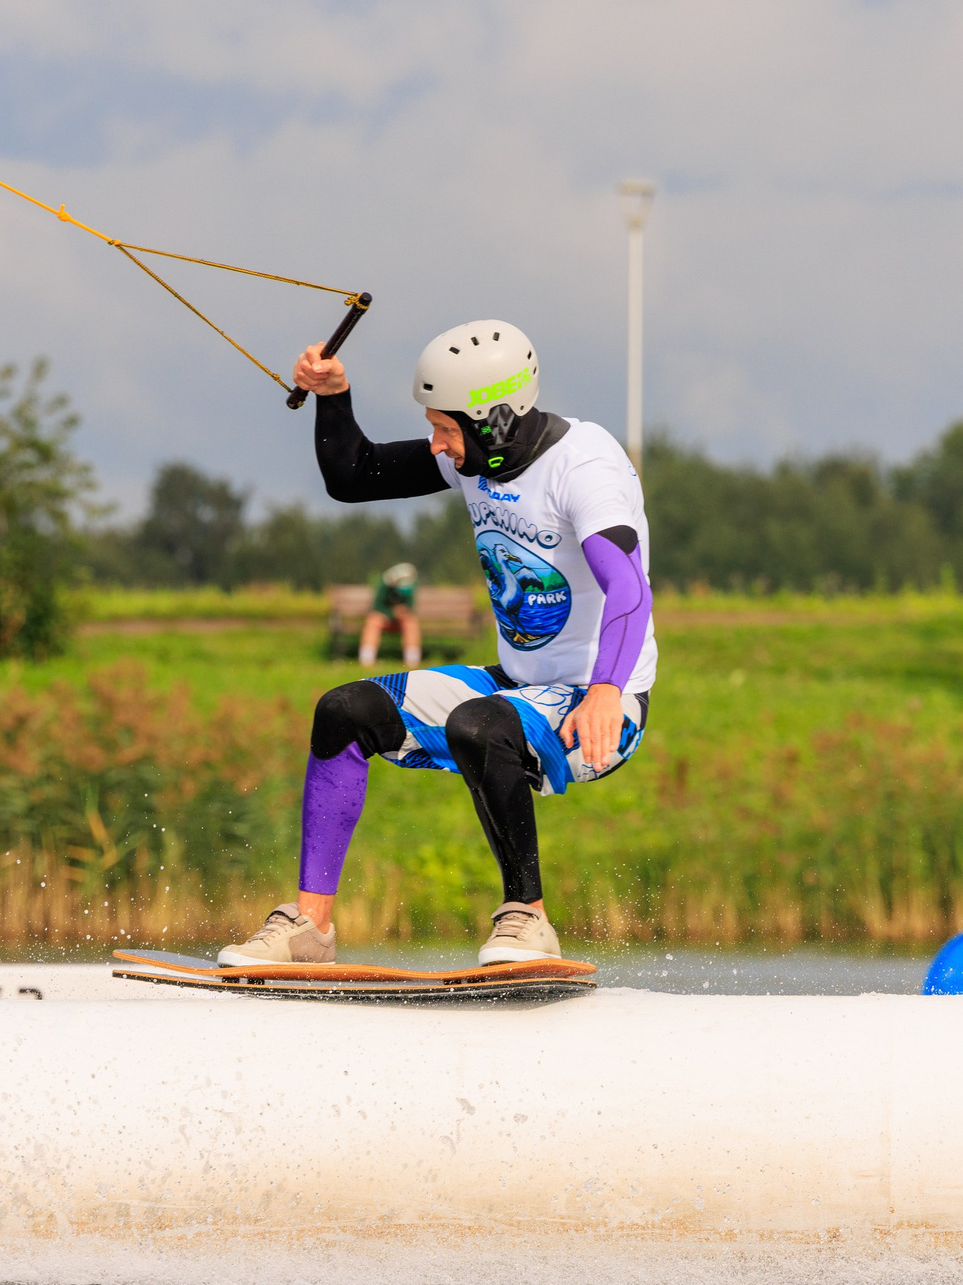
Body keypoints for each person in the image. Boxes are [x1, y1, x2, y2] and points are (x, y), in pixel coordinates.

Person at [221, 320, 656, 969]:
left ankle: (529, 921)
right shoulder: (478, 458)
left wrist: (605, 691)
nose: (437, 444)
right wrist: (333, 398)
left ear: (494, 423)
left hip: (600, 703)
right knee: (344, 711)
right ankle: (310, 929)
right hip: (513, 685)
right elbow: (354, 476)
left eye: (445, 429)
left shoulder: (585, 466)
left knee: (478, 724)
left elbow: (629, 589)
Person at [361, 561, 423, 669]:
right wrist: (392, 613)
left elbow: (410, 607)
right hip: (384, 621)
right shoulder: (384, 586)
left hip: (401, 622)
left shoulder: (410, 585)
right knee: (373, 621)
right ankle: (367, 661)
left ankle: (412, 662)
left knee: (411, 622)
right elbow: (377, 608)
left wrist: (403, 612)